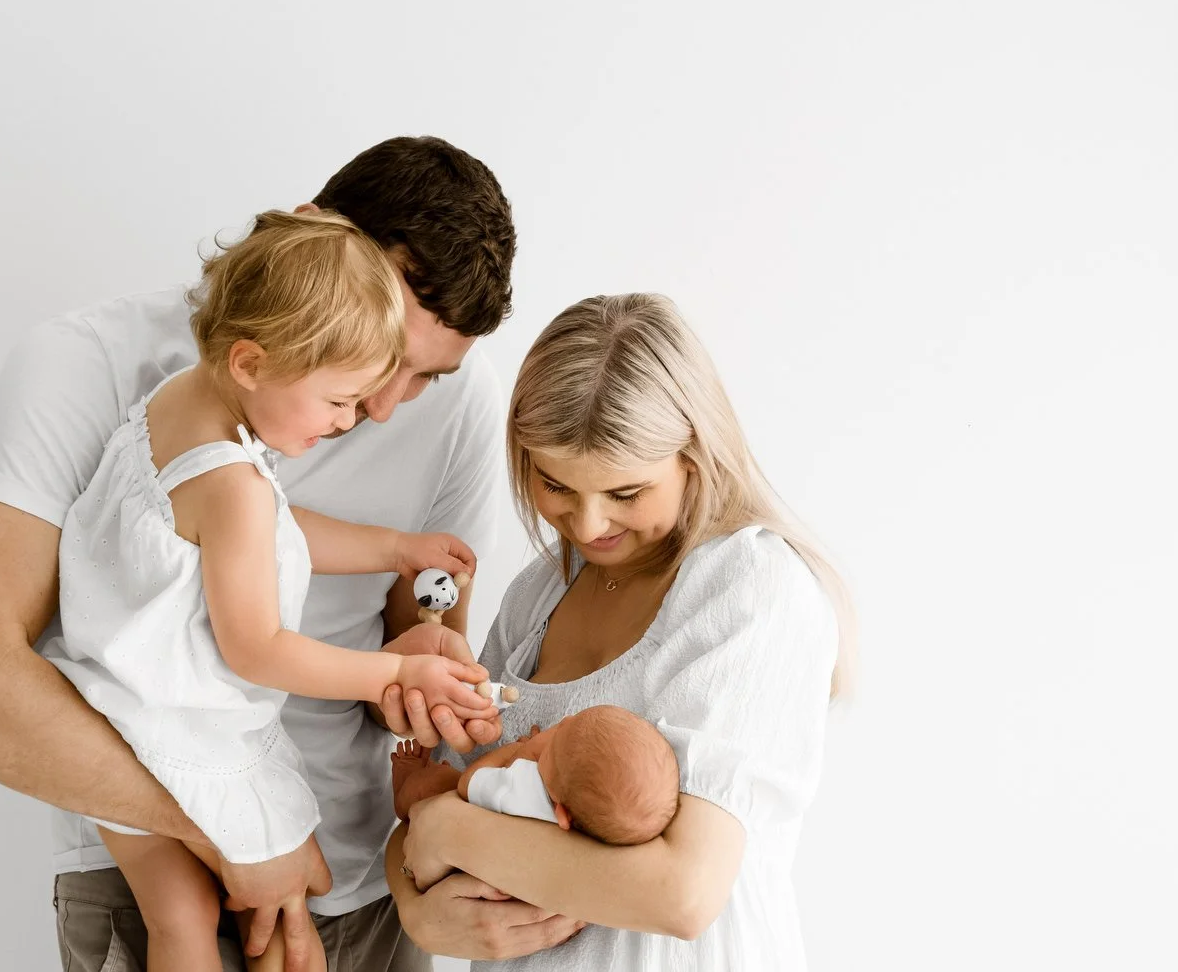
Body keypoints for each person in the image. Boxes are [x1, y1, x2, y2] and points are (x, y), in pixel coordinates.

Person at [0, 137, 569, 972]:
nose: (384, 408)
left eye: (426, 377)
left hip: (365, 889)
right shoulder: (90, 365)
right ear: (306, 234)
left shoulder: (456, 408)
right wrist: (234, 833)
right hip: (156, 860)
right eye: (385, 354)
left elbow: (403, 622)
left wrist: (421, 676)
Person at [45, 209, 493, 972]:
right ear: (251, 363)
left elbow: (268, 532)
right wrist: (395, 671)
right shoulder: (235, 486)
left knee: (215, 907)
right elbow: (257, 649)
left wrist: (394, 547)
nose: (352, 420)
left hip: (115, 711)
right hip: (175, 741)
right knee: (222, 913)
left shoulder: (179, 409)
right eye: (340, 400)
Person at [387, 292, 855, 970]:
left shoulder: (749, 587)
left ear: (694, 455)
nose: (587, 526)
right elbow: (433, 799)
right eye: (556, 486)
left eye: (625, 494)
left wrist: (448, 831)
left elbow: (681, 894)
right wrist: (415, 904)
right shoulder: (539, 594)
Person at [390, 705, 679, 847]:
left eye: (557, 736)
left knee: (437, 785)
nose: (564, 720)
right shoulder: (587, 820)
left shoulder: (523, 787)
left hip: (456, 843)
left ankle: (404, 786)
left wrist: (518, 751)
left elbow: (469, 783)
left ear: (561, 814)